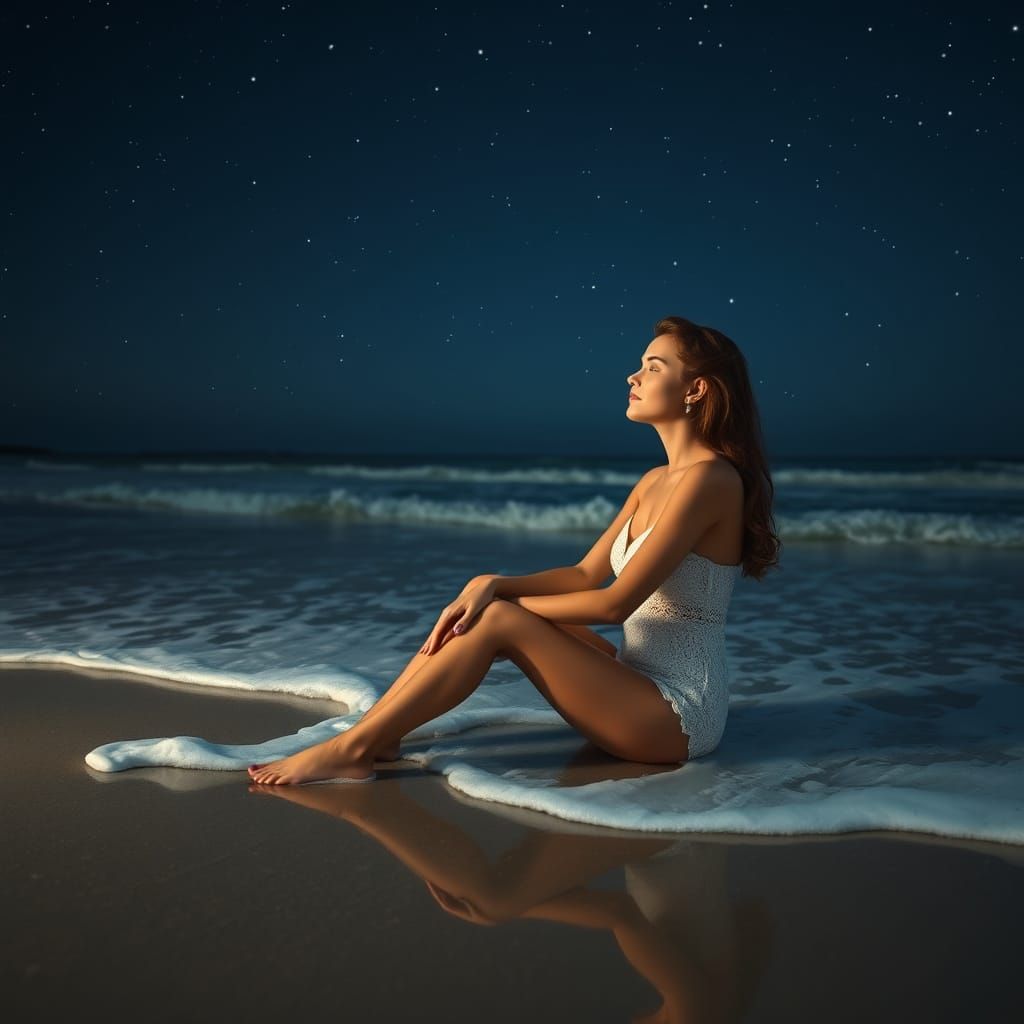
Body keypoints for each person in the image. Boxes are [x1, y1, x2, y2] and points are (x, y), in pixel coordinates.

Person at [248, 316, 780, 785]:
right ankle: (375, 735)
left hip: (678, 716)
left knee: (495, 619)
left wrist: (504, 607)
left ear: (697, 389)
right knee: (484, 606)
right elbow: (584, 573)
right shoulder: (655, 480)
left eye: (653, 367)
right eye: (639, 365)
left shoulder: (712, 480)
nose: (632, 377)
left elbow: (613, 605)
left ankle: (351, 750)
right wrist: (494, 583)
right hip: (634, 681)